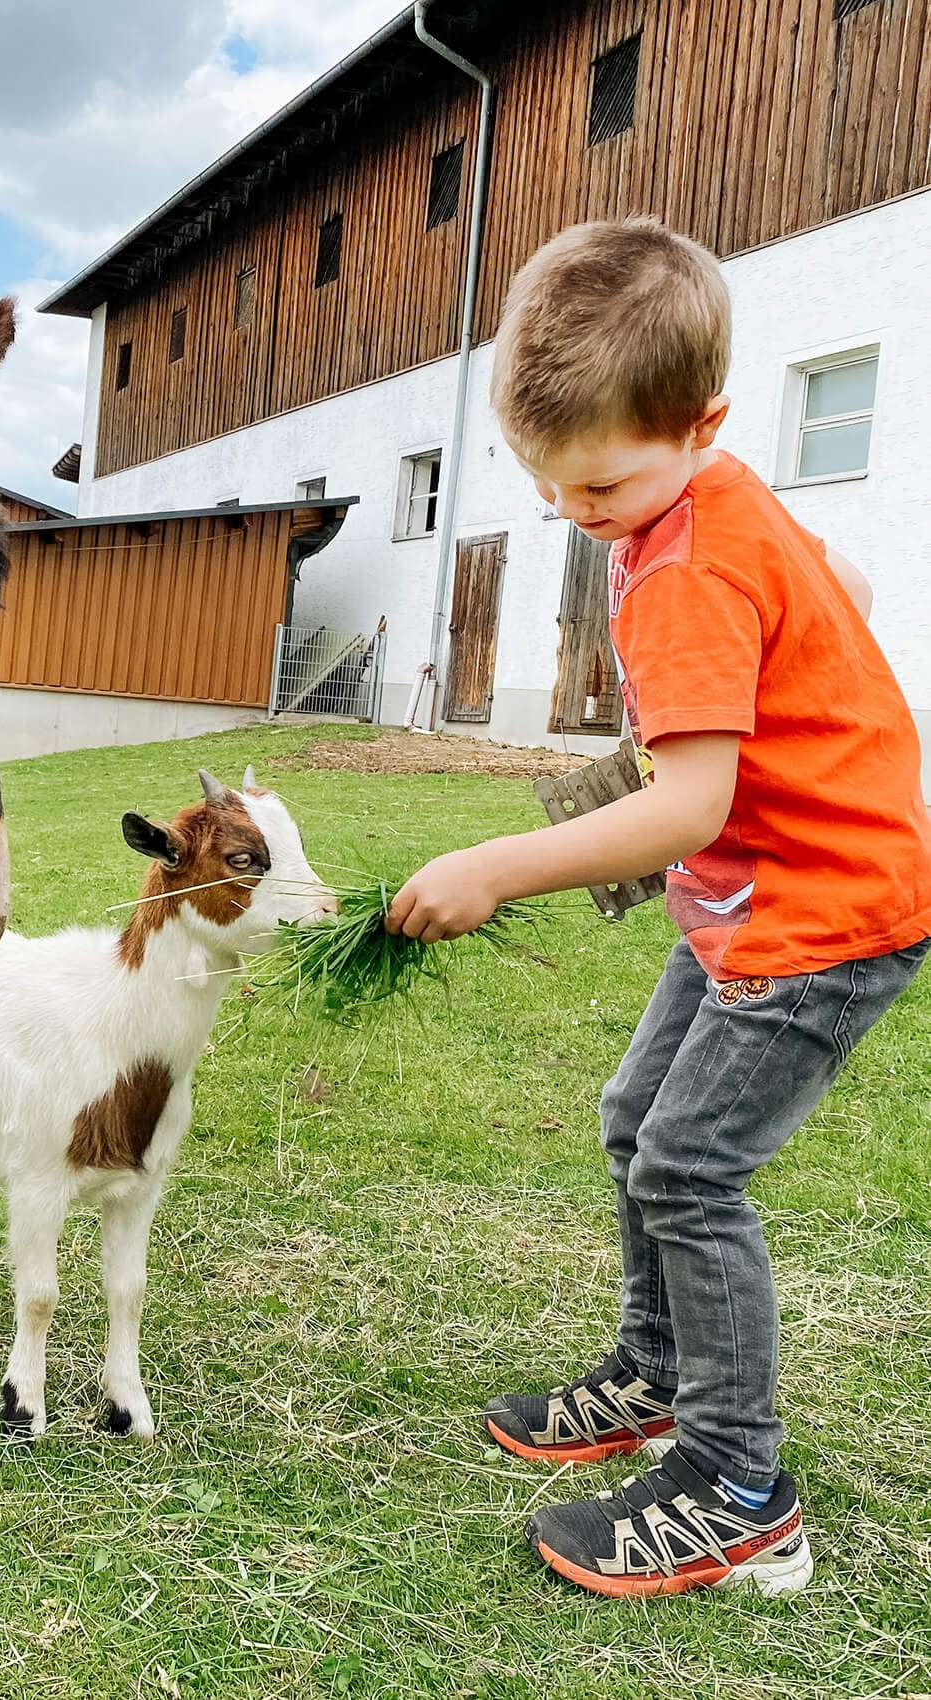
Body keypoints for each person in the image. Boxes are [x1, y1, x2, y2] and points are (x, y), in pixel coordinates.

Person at [387, 217, 931, 1598]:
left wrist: (496, 865)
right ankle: (656, 1373)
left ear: (702, 424)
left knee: (691, 1166)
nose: (576, 512)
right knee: (639, 1122)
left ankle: (740, 1483)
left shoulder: (687, 563)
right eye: (548, 484)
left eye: (603, 486)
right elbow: (846, 588)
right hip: (749, 900)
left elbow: (687, 809)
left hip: (821, 915)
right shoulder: (717, 499)